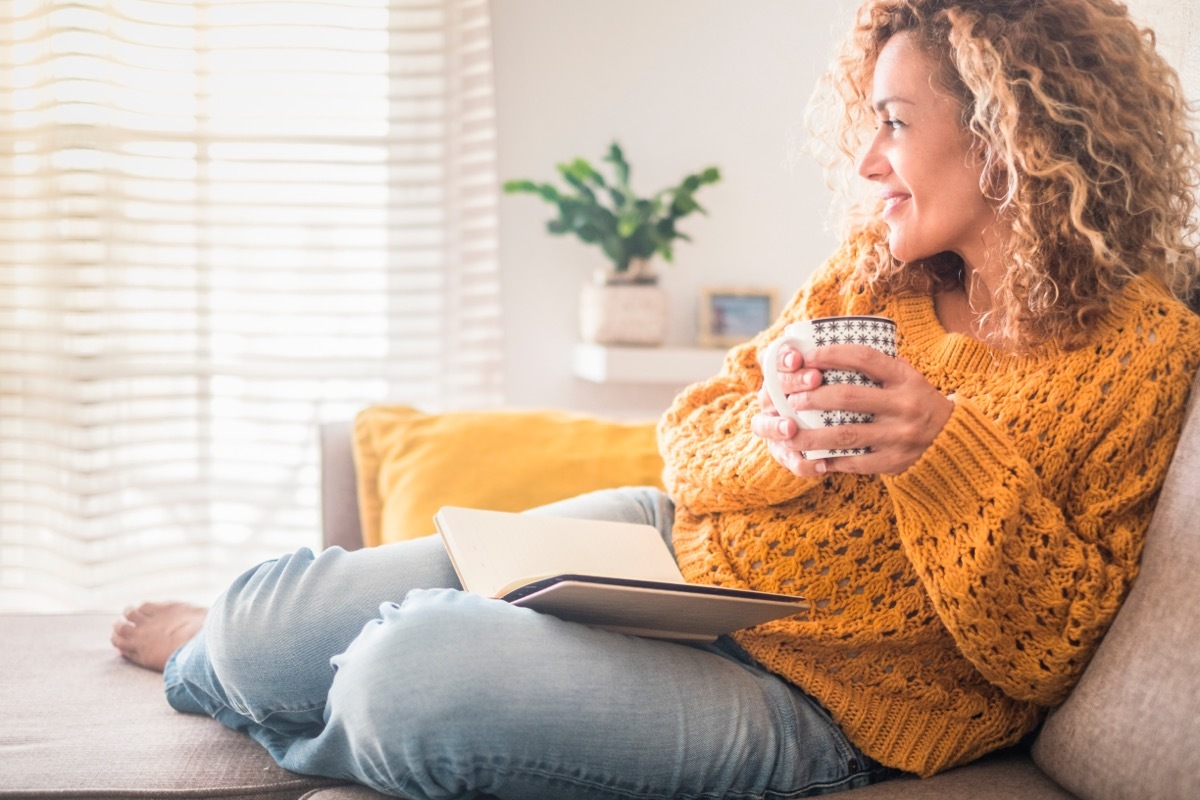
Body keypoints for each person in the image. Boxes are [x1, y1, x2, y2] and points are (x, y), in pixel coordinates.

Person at [113, 0, 1200, 797]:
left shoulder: (1143, 352)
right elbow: (687, 441)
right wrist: (777, 442)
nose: (868, 159)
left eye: (897, 123)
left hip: (822, 699)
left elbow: (1052, 651)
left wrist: (941, 453)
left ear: (1013, 138)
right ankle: (239, 661)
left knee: (408, 677)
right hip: (669, 554)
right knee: (262, 623)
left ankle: (336, 685)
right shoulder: (879, 274)